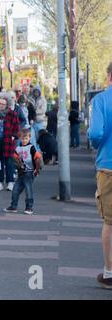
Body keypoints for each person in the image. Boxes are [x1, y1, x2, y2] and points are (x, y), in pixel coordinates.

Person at [87, 61, 112, 290]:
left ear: (109, 76)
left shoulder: (102, 100)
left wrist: (96, 143)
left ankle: (109, 272)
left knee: (110, 222)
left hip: (108, 165)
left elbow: (95, 133)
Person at [3, 128, 42, 215]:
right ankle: (13, 206)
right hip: (21, 173)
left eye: (26, 138)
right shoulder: (18, 148)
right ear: (20, 138)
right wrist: (17, 164)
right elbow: (15, 158)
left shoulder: (31, 147)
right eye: (23, 138)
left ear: (29, 138)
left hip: (30, 172)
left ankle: (29, 207)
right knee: (15, 190)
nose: (24, 140)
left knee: (28, 190)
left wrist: (37, 170)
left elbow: (37, 158)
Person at [0, 92, 19, 192]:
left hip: (8, 141)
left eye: (3, 104)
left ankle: (10, 182)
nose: (1, 106)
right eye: (0, 103)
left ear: (7, 104)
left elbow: (16, 129)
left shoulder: (12, 114)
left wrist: (13, 136)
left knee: (9, 162)